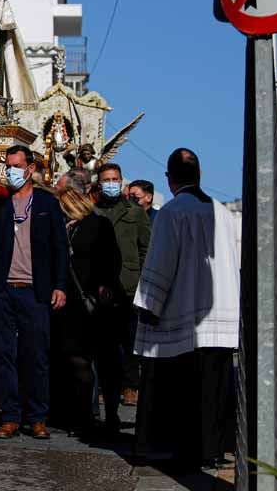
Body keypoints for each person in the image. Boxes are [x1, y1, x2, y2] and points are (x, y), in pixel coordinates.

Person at [132, 148, 239, 471]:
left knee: (185, 388)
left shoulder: (172, 212)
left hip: (185, 314)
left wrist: (149, 304)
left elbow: (161, 261)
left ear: (169, 178)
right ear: (200, 175)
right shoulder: (223, 212)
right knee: (216, 387)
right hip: (224, 315)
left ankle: (187, 449)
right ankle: (215, 449)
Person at [0, 144, 68, 440]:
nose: (11, 172)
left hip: (35, 290)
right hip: (0, 289)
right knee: (2, 355)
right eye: (8, 166)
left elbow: (60, 247)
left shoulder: (46, 203)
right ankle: (9, 417)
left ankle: (37, 417)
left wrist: (60, 285)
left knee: (36, 355)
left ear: (30, 169)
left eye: (16, 166)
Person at [54, 187, 121, 436]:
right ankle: (84, 416)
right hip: (72, 304)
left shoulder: (99, 224)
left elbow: (113, 259)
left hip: (96, 302)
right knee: (78, 361)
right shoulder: (65, 229)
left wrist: (105, 286)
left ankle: (110, 414)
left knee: (104, 362)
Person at [93, 163, 151, 407]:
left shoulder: (135, 213)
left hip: (127, 285)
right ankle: (108, 386)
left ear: (121, 181)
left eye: (115, 179)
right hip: (99, 286)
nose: (111, 183)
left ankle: (130, 386)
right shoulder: (94, 211)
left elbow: (145, 248)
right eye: (106, 179)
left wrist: (142, 283)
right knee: (103, 344)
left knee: (128, 342)